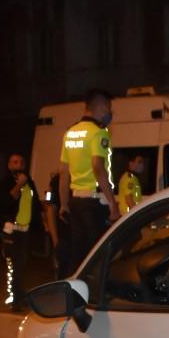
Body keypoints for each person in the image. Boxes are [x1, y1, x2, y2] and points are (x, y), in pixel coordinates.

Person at [56, 87, 118, 278]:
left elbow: (63, 173)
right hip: (94, 203)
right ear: (100, 107)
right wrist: (113, 205)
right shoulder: (99, 133)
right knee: (98, 255)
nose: (110, 112)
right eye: (108, 107)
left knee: (78, 255)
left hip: (76, 203)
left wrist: (64, 204)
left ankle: (73, 297)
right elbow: (98, 168)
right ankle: (95, 299)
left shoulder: (70, 133)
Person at [0, 153, 40, 313]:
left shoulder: (30, 183)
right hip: (11, 230)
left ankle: (20, 295)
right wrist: (18, 185)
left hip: (26, 230)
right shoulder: (5, 183)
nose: (19, 165)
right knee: (15, 265)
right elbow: (5, 203)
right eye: (15, 162)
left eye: (22, 162)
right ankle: (16, 299)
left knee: (23, 265)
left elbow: (35, 203)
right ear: (9, 165)